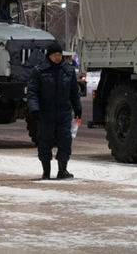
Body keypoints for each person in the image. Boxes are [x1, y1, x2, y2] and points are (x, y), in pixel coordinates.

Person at [26, 42, 82, 180]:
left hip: (63, 113)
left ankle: (62, 170)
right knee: (45, 141)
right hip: (46, 113)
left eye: (59, 55)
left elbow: (74, 93)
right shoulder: (39, 71)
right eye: (54, 55)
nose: (57, 57)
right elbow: (32, 92)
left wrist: (78, 108)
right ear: (49, 56)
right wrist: (34, 109)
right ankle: (46, 172)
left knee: (65, 140)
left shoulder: (68, 71)